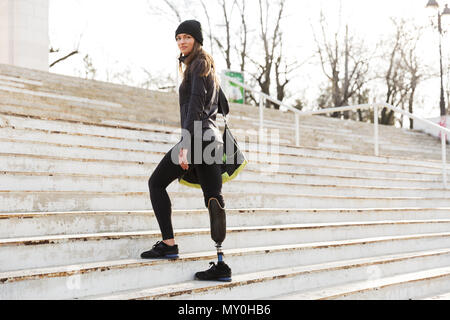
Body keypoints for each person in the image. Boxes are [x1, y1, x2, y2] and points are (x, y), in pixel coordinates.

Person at [140, 20, 232, 282]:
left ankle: (169, 244)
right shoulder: (209, 67)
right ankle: (221, 263)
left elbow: (194, 106)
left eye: (187, 37)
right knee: (214, 200)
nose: (181, 41)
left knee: (156, 183)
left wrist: (186, 145)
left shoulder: (197, 66)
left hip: (197, 138)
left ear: (197, 40)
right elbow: (222, 106)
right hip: (213, 141)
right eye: (178, 37)